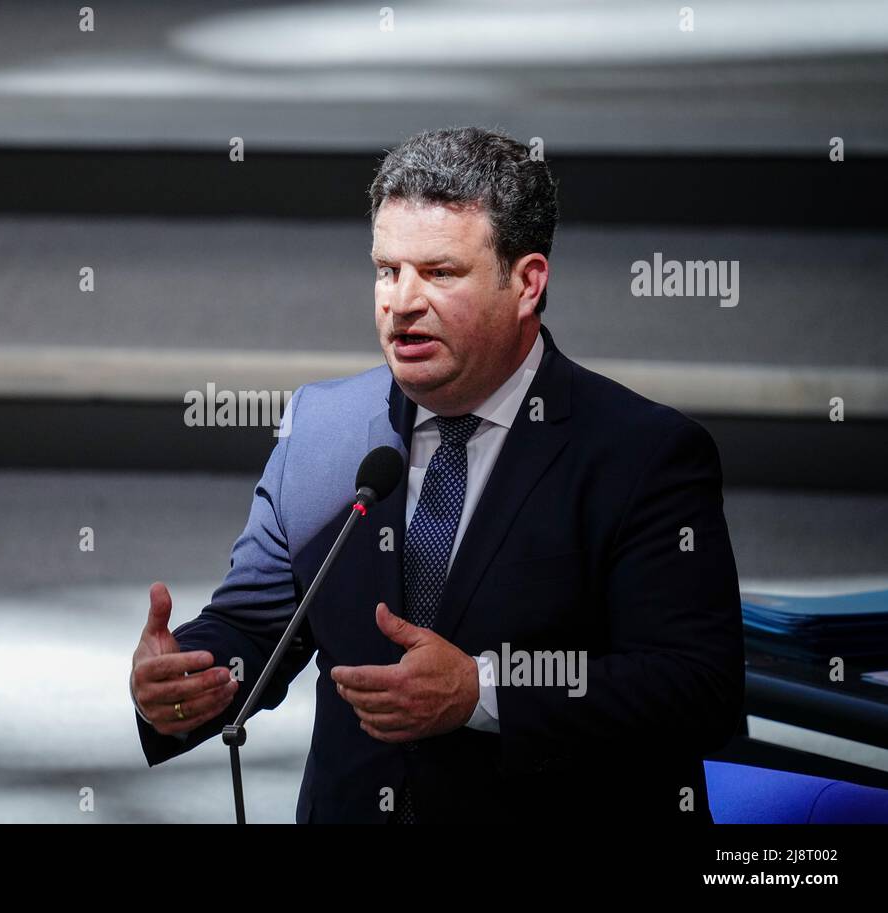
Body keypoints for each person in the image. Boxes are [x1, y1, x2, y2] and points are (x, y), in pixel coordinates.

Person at [129, 126, 744, 824]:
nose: (402, 301)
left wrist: (482, 692)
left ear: (527, 283)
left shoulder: (643, 453)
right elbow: (257, 627)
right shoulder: (323, 428)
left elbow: (699, 689)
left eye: (440, 272)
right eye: (387, 270)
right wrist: (190, 675)